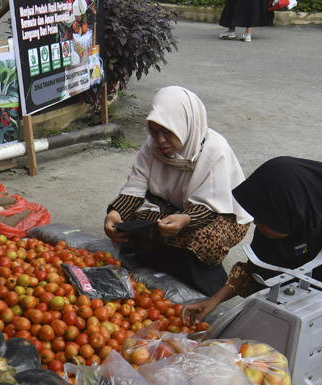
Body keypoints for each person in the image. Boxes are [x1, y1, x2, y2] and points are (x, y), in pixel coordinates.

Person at [182, 157, 322, 385]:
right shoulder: (278, 222)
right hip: (287, 319)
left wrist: (291, 366)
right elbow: (257, 270)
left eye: (262, 218)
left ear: (289, 211)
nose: (255, 223)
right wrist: (214, 300)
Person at [103, 86, 253, 297]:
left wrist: (185, 219)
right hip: (173, 206)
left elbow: (210, 206)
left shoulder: (214, 150)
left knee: (202, 240)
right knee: (134, 221)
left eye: (167, 132)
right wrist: (116, 213)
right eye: (154, 131)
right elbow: (136, 185)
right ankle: (167, 255)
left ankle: (190, 267)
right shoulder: (151, 147)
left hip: (222, 214)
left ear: (185, 125)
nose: (160, 140)